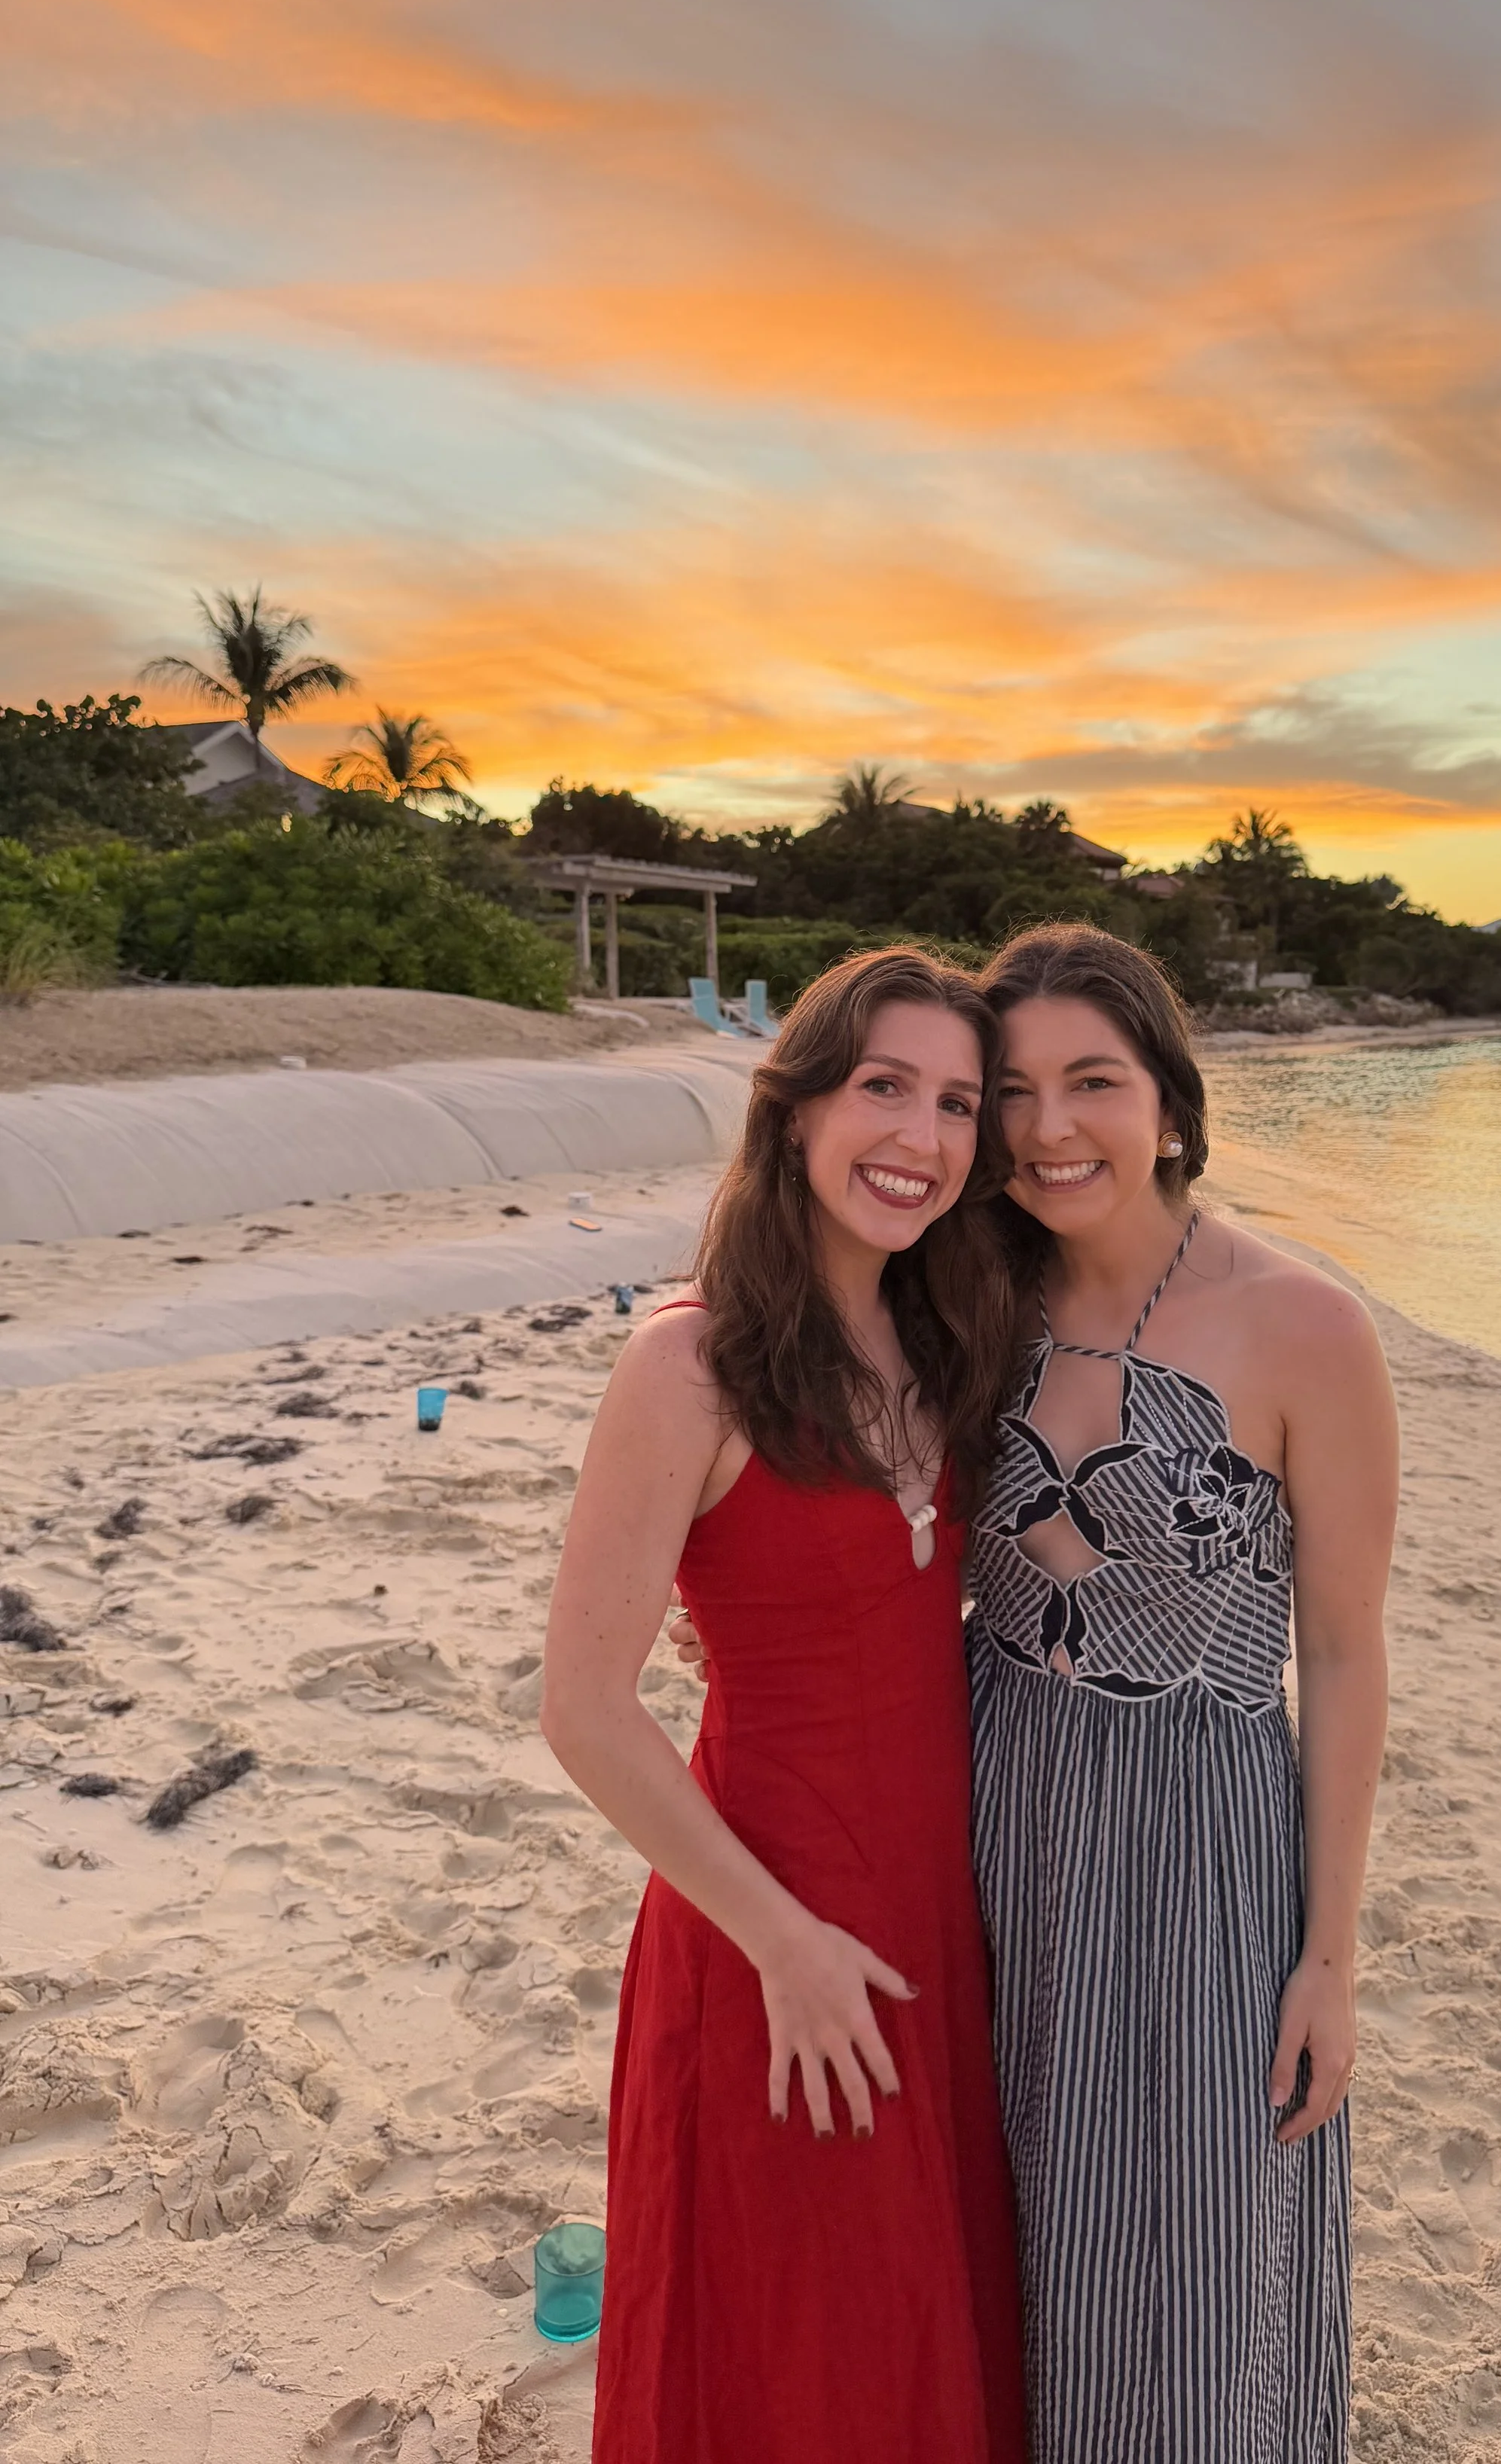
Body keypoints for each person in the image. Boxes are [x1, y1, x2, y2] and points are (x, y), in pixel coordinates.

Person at [541, 947, 1029, 2464]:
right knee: (788, 2343)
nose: (921, 1136)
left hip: (938, 1909)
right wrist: (782, 1942)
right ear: (799, 1106)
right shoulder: (687, 1363)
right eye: (884, 1086)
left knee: (920, 2322)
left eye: (956, 1102)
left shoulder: (942, 1342)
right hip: (771, 1912)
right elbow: (582, 1708)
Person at [972, 922, 1395, 2464]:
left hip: (1208, 1845)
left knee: (1207, 2264)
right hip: (993, 1811)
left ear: (1167, 1092)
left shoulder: (1306, 1325)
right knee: (1023, 2239)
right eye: (1009, 1091)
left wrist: (1329, 1963)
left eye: (1090, 1078)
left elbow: (1343, 1651)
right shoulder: (966, 1295)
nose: (1047, 1127)